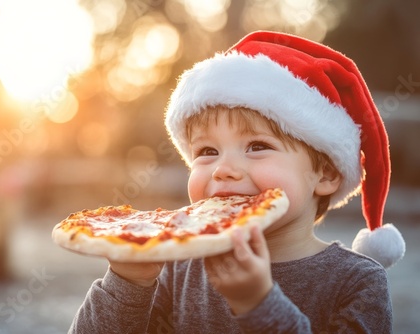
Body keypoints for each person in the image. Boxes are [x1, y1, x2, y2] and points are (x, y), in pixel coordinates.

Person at [68, 31, 405, 333]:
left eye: (257, 146)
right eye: (207, 150)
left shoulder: (358, 282)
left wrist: (259, 306)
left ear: (327, 174)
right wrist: (128, 283)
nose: (223, 169)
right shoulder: (177, 267)